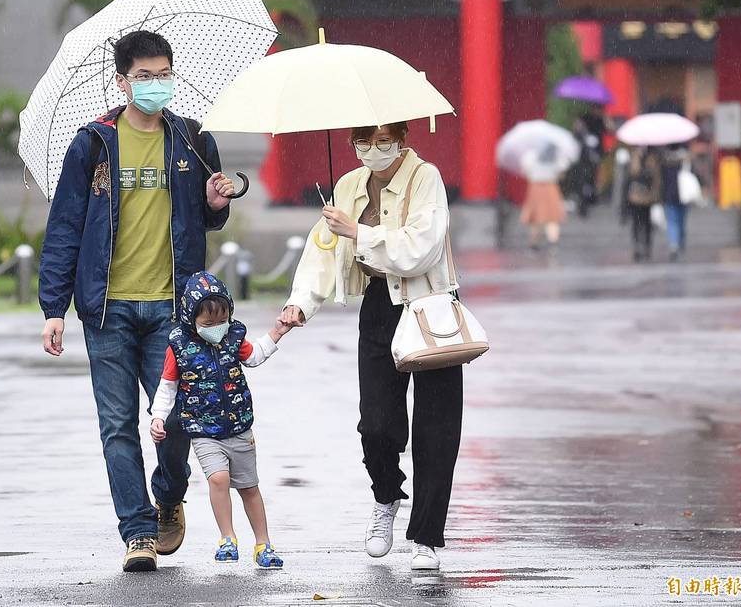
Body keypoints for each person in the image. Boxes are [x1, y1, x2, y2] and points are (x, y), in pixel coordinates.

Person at [39, 30, 236, 572]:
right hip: (107, 309)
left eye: (163, 74)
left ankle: (169, 497)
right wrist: (54, 307)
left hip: (174, 309)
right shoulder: (94, 143)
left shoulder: (192, 139)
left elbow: (208, 217)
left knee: (176, 423)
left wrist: (216, 202)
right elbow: (65, 227)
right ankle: (137, 532)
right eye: (144, 76)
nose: (156, 84)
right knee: (119, 424)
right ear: (122, 80)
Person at [279, 122, 462, 571]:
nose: (374, 149)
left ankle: (426, 537)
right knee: (376, 424)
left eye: (384, 139)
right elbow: (323, 248)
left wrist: (359, 234)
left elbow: (422, 248)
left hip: (428, 301)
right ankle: (386, 496)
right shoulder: (347, 186)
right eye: (365, 140)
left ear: (402, 138)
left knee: (436, 428)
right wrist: (301, 302)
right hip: (381, 303)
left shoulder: (427, 178)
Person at [150, 271, 289, 569]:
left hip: (239, 427)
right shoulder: (179, 346)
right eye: (207, 323)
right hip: (202, 430)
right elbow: (167, 386)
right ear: (191, 318)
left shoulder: (233, 336)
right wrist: (158, 417)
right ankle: (227, 537)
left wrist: (277, 332)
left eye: (221, 321)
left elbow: (253, 356)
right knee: (219, 478)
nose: (216, 328)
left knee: (249, 487)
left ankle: (263, 543)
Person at [519, 143, 568, 253]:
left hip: (536, 186)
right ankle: (553, 242)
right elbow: (561, 172)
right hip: (551, 186)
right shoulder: (555, 154)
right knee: (553, 216)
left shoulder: (530, 155)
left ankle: (534, 242)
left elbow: (525, 172)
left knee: (535, 217)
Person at [623, 147, 661, 262]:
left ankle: (647, 246)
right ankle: (637, 246)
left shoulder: (652, 158)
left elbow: (656, 177)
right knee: (636, 223)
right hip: (635, 197)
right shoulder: (634, 157)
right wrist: (638, 159)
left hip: (647, 197)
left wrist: (655, 195)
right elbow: (632, 173)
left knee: (647, 223)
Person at [659, 143, 690, 261]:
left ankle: (673, 244)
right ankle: (680, 241)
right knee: (681, 220)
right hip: (683, 194)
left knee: (672, 221)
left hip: (669, 194)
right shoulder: (685, 158)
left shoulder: (664, 159)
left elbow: (660, 179)